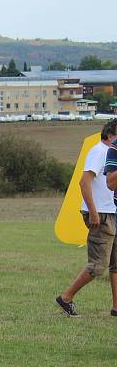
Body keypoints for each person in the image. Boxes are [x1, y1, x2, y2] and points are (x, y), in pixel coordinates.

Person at [56, 120, 117, 317]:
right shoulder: (99, 151)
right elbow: (84, 182)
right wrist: (93, 212)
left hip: (112, 212)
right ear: (110, 136)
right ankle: (66, 298)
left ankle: (116, 308)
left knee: (116, 263)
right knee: (98, 266)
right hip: (101, 214)